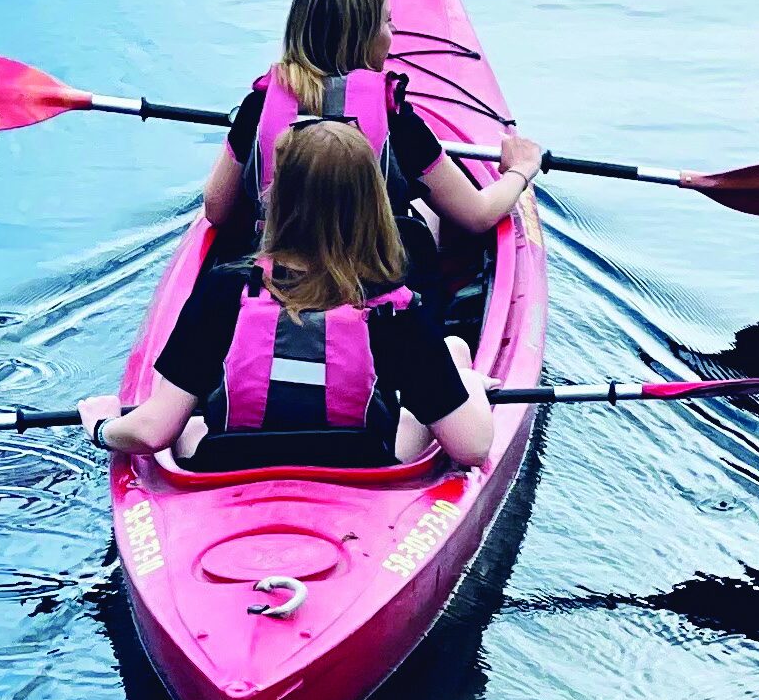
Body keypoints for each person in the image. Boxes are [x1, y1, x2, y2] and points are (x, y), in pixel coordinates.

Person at [81, 120, 507, 470]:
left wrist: (102, 427)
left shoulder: (225, 290)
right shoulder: (392, 308)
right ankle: (458, 367)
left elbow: (151, 432)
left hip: (229, 464)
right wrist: (466, 380)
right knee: (451, 352)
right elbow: (471, 449)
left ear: (275, 198)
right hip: (360, 465)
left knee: (186, 424)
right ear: (374, 203)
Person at [200, 0, 544, 273]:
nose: (392, 35)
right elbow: (478, 215)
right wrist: (521, 168)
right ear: (364, 37)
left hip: (276, 272)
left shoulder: (259, 105)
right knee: (428, 217)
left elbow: (216, 209)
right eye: (387, 21)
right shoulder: (394, 116)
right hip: (371, 279)